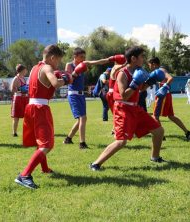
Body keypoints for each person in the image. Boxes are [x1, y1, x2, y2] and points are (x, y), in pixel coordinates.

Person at [90, 46, 166, 171]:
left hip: (136, 108)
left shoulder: (138, 71)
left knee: (159, 131)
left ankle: (155, 157)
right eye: (142, 57)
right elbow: (124, 95)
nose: (144, 59)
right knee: (121, 141)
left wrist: (150, 81)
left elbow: (140, 89)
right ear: (133, 58)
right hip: (123, 109)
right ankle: (96, 163)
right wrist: (136, 82)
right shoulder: (122, 74)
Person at [15, 44, 73, 189]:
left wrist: (59, 74)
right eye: (58, 61)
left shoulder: (35, 68)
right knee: (47, 144)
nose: (57, 64)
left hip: (31, 107)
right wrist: (67, 79)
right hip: (40, 108)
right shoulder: (47, 68)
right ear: (52, 57)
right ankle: (24, 175)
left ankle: (44, 168)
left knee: (40, 142)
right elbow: (55, 83)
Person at [63, 47, 125, 148]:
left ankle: (68, 139)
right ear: (75, 56)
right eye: (81, 57)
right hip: (73, 94)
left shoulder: (84, 63)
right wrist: (76, 72)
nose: (83, 59)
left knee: (81, 119)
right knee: (83, 118)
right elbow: (69, 80)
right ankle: (82, 143)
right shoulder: (69, 65)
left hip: (81, 95)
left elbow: (98, 62)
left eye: (84, 57)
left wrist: (111, 59)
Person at [147, 57, 190, 140]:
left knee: (155, 117)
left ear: (154, 64)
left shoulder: (161, 70)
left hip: (162, 96)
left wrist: (164, 87)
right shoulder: (158, 71)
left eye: (149, 65)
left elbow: (170, 78)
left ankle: (160, 136)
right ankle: (187, 132)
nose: (149, 67)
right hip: (166, 95)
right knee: (171, 116)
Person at [10, 64, 29, 137]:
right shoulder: (16, 78)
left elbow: (25, 88)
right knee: (16, 117)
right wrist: (20, 91)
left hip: (25, 99)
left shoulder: (23, 78)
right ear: (22, 70)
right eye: (25, 70)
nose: (26, 71)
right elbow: (12, 89)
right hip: (18, 99)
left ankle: (27, 131)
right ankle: (14, 133)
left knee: (27, 116)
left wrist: (26, 91)